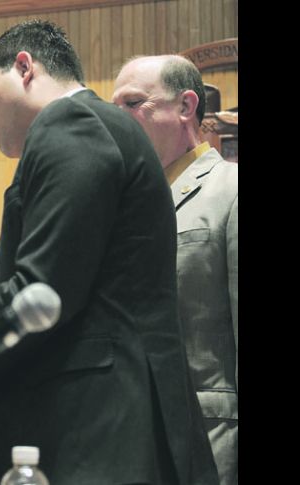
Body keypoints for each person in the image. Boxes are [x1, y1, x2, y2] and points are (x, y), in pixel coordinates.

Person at [0, 20, 219, 485]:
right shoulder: (95, 128)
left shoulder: (73, 124)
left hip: (95, 434)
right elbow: (78, 288)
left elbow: (40, 295)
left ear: (24, 67)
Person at [113, 55, 238, 485]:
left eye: (132, 104)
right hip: (130, 447)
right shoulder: (121, 208)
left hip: (211, 449)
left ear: (186, 107)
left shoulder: (231, 190)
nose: (118, 120)